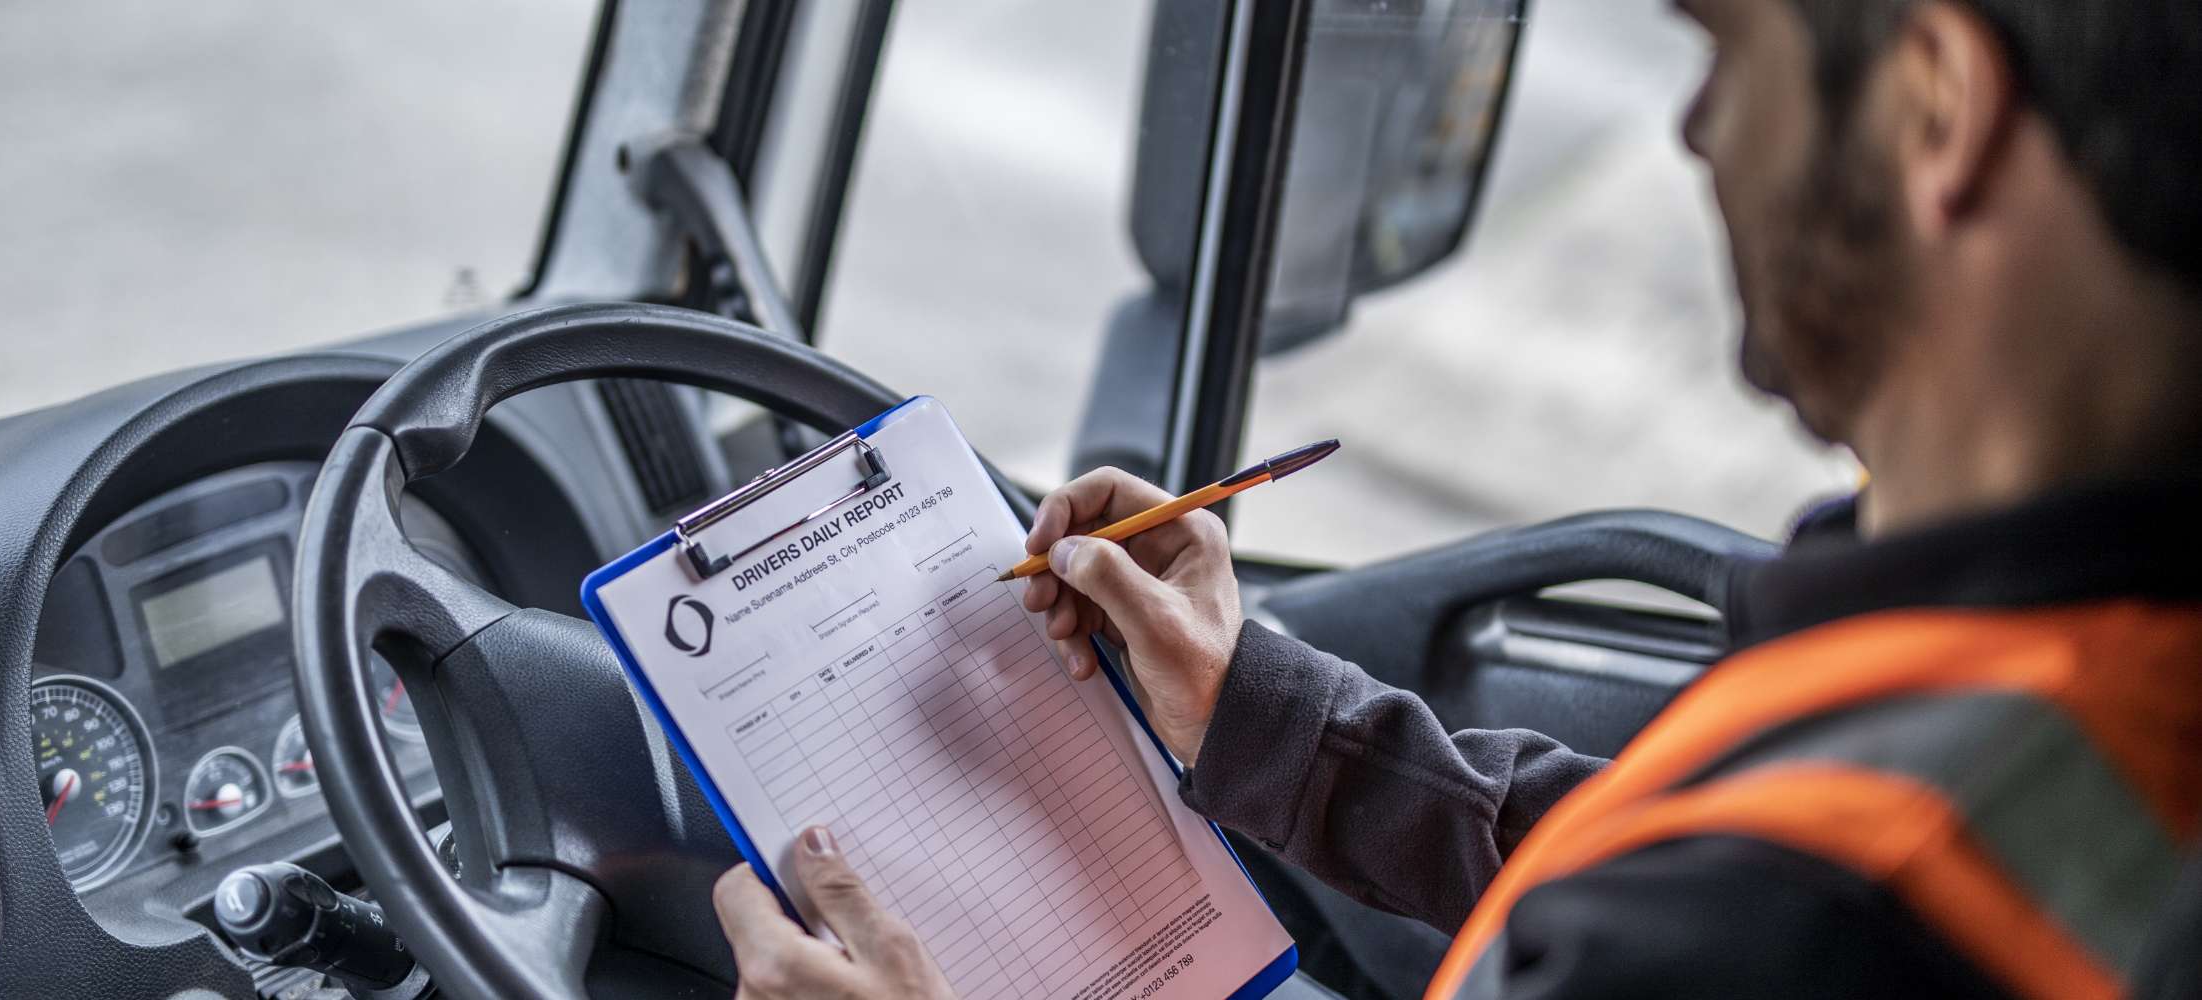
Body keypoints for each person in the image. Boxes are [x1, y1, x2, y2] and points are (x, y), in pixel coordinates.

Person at [710, 0, 2202, 996]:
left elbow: (1743, 886)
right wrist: (1271, 725)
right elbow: (1665, 828)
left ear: (1936, 108)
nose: (1692, 134)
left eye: (1727, 53)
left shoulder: (1770, 925)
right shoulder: (2070, 664)